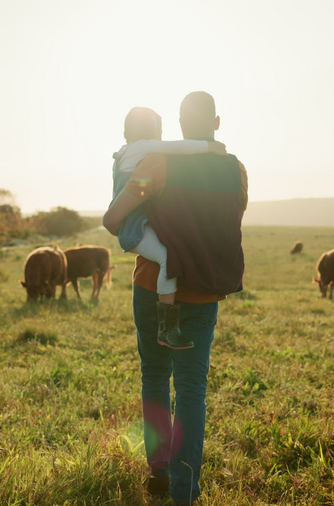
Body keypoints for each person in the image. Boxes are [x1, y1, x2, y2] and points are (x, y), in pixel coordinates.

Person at [103, 91, 247, 505]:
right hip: (203, 291)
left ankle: (159, 474)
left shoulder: (157, 162)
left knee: (154, 377)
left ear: (179, 128)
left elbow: (114, 219)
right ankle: (185, 495)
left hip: (152, 287)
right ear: (215, 123)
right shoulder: (236, 171)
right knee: (191, 390)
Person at [111, 106, 227, 350]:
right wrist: (210, 147)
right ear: (152, 131)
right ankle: (168, 328)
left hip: (137, 223)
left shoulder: (126, 151)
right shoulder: (143, 148)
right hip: (135, 226)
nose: (162, 136)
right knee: (168, 257)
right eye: (159, 130)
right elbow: (179, 148)